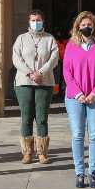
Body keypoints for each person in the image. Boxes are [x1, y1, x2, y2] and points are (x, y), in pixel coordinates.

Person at [63, 11, 95, 189]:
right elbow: (67, 72)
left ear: (94, 26)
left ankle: (93, 172)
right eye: (83, 25)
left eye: (89, 25)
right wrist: (78, 94)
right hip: (75, 98)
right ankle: (79, 173)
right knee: (77, 135)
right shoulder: (71, 46)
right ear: (78, 27)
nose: (86, 27)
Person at [12, 10, 59, 165]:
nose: (36, 22)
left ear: (43, 21)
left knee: (41, 118)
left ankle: (42, 152)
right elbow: (16, 58)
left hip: (44, 82)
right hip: (24, 82)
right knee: (26, 117)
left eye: (38, 19)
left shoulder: (49, 39)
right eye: (33, 20)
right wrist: (29, 73)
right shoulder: (21, 39)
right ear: (29, 21)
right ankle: (27, 152)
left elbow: (54, 59)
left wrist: (40, 72)